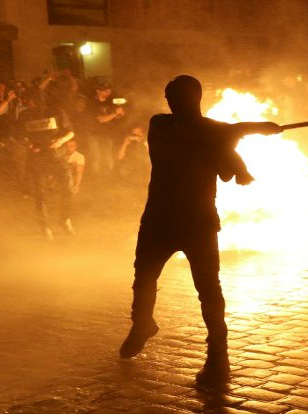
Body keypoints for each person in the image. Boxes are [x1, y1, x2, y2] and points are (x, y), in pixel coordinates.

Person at [119, 75, 281, 387]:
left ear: (193, 99)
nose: (172, 103)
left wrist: (241, 162)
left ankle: (218, 357)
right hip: (161, 219)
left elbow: (228, 170)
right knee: (144, 276)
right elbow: (211, 138)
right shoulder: (162, 125)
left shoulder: (213, 133)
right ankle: (142, 324)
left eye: (177, 97)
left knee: (208, 289)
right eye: (170, 97)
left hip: (196, 221)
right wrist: (255, 128)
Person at [17, 91, 75, 240]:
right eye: (31, 101)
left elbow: (70, 133)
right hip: (37, 160)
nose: (33, 104)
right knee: (40, 194)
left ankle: (65, 219)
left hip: (57, 157)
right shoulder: (25, 115)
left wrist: (60, 141)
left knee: (68, 189)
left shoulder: (57, 112)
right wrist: (29, 145)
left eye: (38, 101)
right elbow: (19, 136)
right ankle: (45, 227)